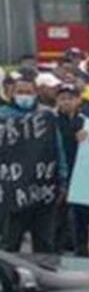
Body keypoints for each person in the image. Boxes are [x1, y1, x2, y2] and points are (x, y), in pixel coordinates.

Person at [0, 70, 66, 254]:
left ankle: (46, 278)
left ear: (35, 93)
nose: (24, 95)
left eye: (28, 91)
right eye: (20, 91)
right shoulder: (2, 116)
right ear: (12, 93)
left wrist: (62, 179)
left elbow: (57, 150)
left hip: (42, 190)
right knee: (10, 242)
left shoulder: (47, 118)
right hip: (13, 191)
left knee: (44, 242)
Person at [53, 85, 89, 256]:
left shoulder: (86, 121)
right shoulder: (51, 120)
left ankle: (82, 247)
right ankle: (57, 247)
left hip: (82, 172)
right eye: (62, 98)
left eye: (70, 98)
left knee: (83, 214)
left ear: (78, 100)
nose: (66, 101)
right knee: (59, 213)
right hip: (59, 173)